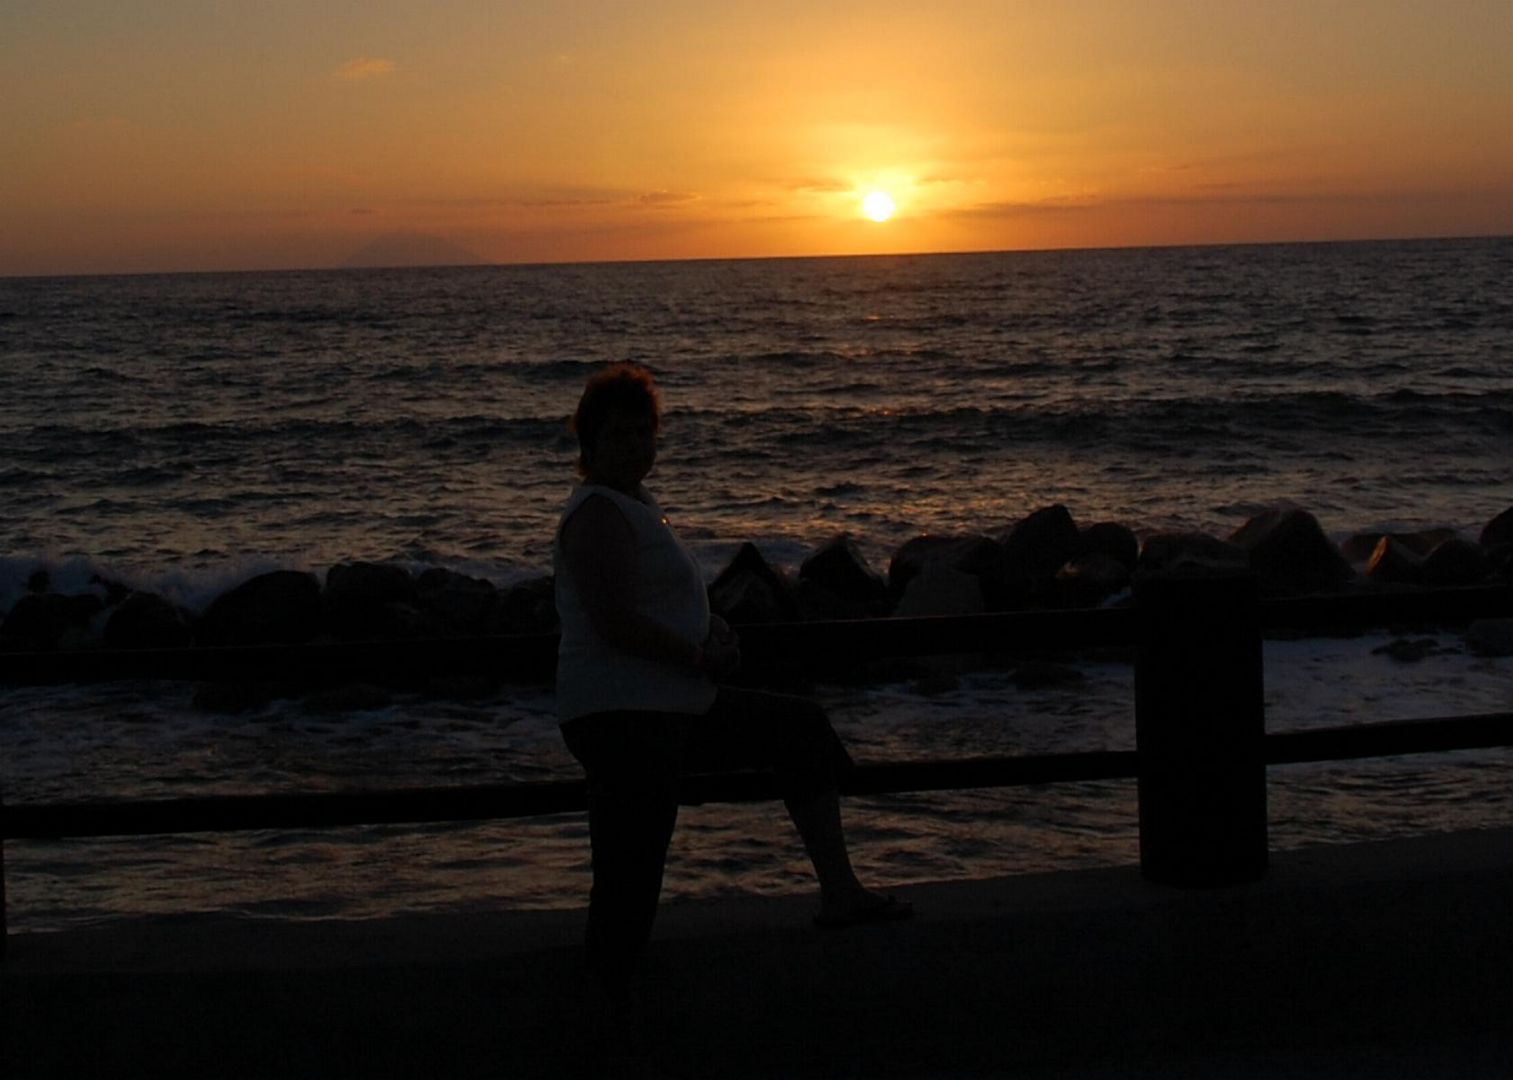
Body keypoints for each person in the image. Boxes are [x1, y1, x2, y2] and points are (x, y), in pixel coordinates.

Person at [554, 362, 911, 998]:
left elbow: (659, 603)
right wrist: (696, 657)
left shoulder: (637, 505)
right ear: (590, 443)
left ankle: (840, 891)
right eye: (620, 436)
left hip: (669, 703)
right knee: (631, 868)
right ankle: (603, 1003)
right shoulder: (598, 514)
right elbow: (614, 622)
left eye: (645, 433)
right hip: (625, 714)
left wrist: (711, 631)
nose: (637, 447)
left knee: (796, 729)